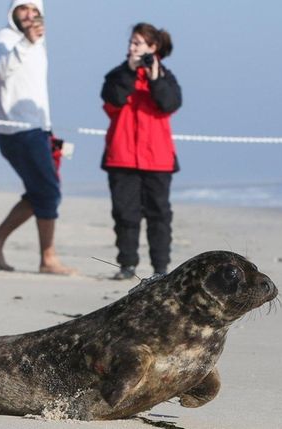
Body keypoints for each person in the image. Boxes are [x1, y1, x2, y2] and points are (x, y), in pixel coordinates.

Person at [0, 0, 74, 275]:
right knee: (48, 191)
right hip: (16, 130)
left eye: (35, 11)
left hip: (39, 128)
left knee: (41, 192)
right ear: (13, 12)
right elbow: (1, 70)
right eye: (24, 9)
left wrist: (48, 128)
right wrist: (25, 42)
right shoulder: (5, 38)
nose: (29, 15)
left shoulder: (39, 44)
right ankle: (48, 258)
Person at [100, 22, 182, 280]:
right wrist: (130, 71)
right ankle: (127, 264)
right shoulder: (117, 75)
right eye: (131, 42)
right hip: (122, 156)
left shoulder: (165, 77)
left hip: (157, 158)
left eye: (138, 43)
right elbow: (112, 99)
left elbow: (169, 103)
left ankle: (160, 268)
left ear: (153, 47)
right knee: (125, 213)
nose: (132, 47)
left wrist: (154, 76)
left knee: (159, 214)